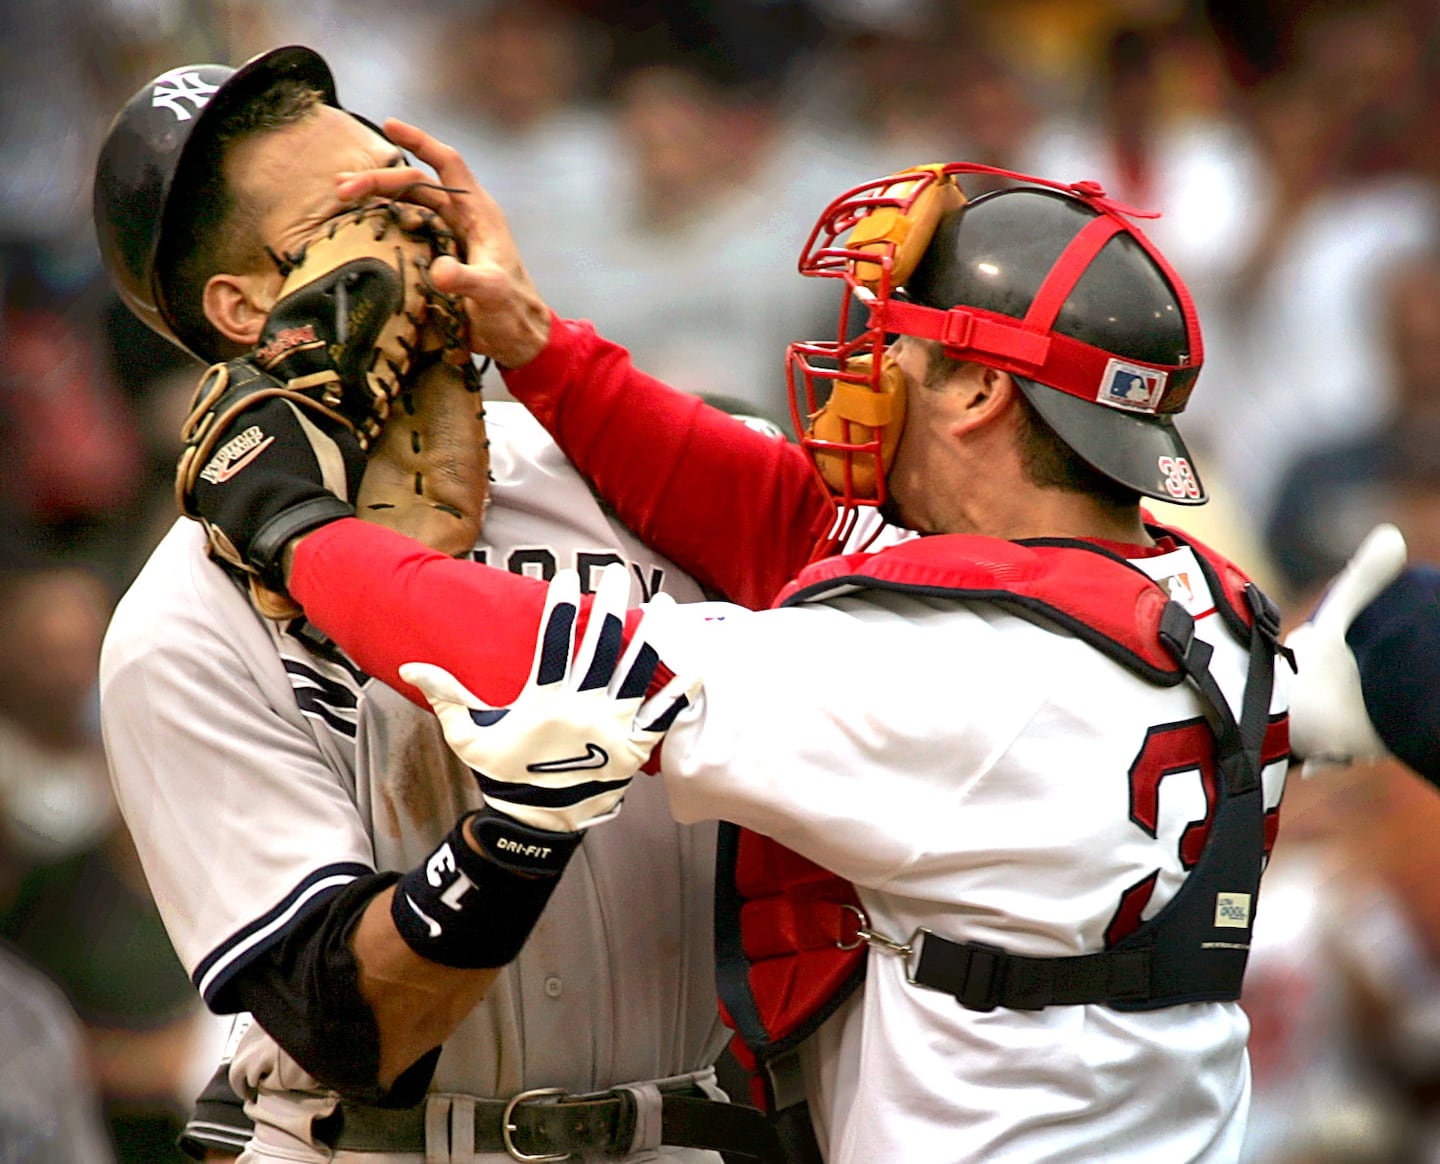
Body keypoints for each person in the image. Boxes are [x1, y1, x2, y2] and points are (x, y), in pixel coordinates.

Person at [182, 128, 1297, 1161]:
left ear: (979, 388)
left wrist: (291, 524)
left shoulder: (944, 671)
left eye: (893, 339)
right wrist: (541, 347)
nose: (859, 363)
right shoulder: (1213, 604)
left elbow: (555, 668)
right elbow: (787, 522)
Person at [92, 46, 782, 1164]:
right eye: (361, 220)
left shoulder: (623, 472)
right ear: (245, 304)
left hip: (682, 1131)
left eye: (418, 201)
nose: (422, 240)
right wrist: (515, 838)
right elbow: (346, 1023)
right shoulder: (180, 624)